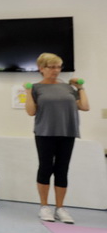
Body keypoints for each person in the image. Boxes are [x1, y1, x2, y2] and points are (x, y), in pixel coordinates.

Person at [24, 53, 89, 224]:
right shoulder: (36, 88)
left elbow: (84, 106)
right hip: (45, 132)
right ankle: (44, 207)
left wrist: (80, 88)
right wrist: (28, 91)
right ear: (41, 68)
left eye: (58, 67)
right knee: (45, 168)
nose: (55, 71)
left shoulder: (68, 88)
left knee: (62, 169)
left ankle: (60, 208)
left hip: (67, 132)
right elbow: (31, 111)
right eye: (51, 67)